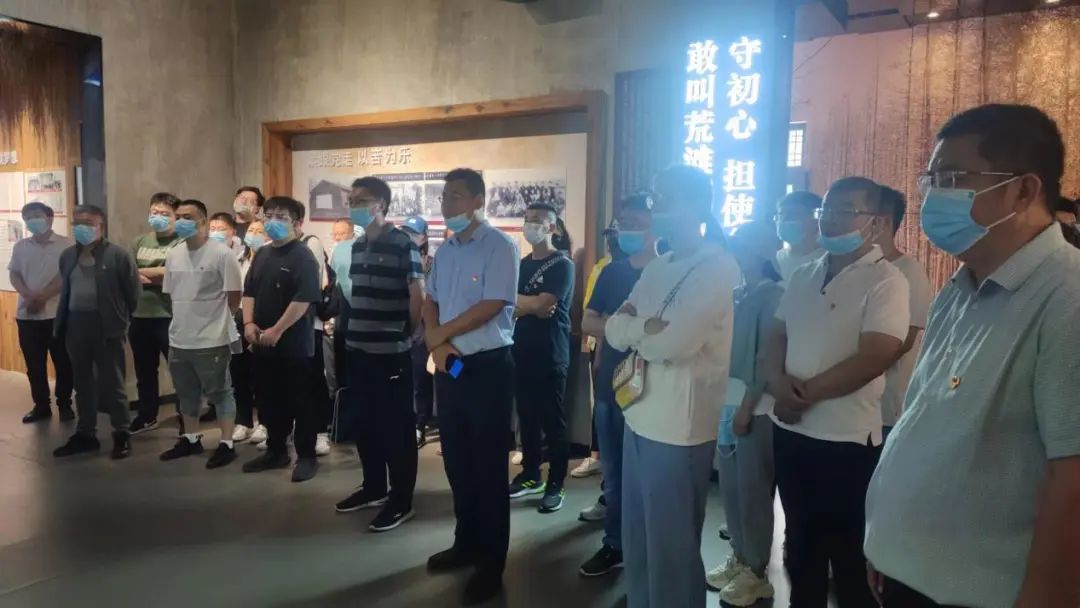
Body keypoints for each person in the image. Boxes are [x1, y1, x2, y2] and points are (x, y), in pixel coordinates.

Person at [866, 104, 1080, 608]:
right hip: (908, 568)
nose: (933, 196)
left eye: (953, 179)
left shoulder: (1066, 297)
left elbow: (1072, 480)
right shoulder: (959, 288)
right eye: (931, 180)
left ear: (1023, 191)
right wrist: (887, 536)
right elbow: (921, 420)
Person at [764, 177, 909, 608]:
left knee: (849, 559)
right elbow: (775, 335)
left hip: (846, 441)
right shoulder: (805, 271)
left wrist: (802, 395)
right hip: (790, 432)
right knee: (800, 547)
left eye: (845, 211)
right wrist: (777, 384)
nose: (829, 218)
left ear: (875, 223)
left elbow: (875, 355)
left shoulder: (887, 280)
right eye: (826, 209)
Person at [605, 165, 740, 607]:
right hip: (639, 415)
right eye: (654, 199)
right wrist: (645, 328)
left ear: (699, 206)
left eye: (666, 199)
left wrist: (638, 328)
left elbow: (676, 344)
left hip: (680, 428)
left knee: (672, 549)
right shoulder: (659, 266)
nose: (656, 208)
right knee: (639, 540)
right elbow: (612, 328)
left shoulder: (718, 266)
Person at [423, 168, 518, 605]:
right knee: (457, 461)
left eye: (457, 196)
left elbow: (492, 304)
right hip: (451, 367)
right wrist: (436, 342)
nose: (448, 204)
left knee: (488, 468)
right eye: (445, 197)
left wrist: (440, 336)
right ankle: (466, 543)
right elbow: (431, 299)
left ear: (479, 200)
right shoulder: (445, 250)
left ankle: (491, 563)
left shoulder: (499, 246)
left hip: (486, 368)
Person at [334, 177, 425, 532]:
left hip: (390, 351)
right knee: (365, 423)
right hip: (357, 347)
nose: (355, 205)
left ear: (381, 205)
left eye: (363, 200)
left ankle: (401, 500)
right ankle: (373, 487)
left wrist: (406, 333)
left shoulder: (402, 243)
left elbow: (416, 294)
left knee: (396, 428)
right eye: (352, 200)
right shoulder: (357, 246)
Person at [578, 193, 656, 577]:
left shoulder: (666, 272)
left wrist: (616, 325)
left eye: (637, 223)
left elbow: (664, 332)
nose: (628, 230)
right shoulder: (612, 272)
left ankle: (645, 551)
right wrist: (629, 327)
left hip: (653, 392)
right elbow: (587, 322)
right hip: (612, 385)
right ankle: (616, 544)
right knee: (613, 475)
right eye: (624, 223)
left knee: (646, 480)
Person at [706, 220, 783, 606]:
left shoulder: (774, 295)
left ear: (762, 251)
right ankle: (739, 557)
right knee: (732, 491)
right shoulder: (737, 293)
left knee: (753, 493)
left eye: (744, 245)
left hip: (756, 407)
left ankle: (757, 572)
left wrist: (748, 407)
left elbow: (768, 359)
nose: (737, 252)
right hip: (727, 400)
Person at [240, 196, 322, 482]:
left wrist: (277, 330)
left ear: (296, 224)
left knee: (300, 401)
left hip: (294, 344)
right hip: (261, 340)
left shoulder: (302, 256)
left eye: (281, 217)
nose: (272, 221)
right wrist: (248, 323)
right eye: (269, 215)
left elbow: (305, 298)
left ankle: (307, 456)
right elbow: (249, 291)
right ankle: (276, 451)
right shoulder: (262, 253)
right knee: (268, 399)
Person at [158, 200, 243, 468]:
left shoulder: (221, 254)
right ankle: (191, 438)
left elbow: (234, 295)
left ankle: (226, 443)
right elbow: (170, 293)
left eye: (189, 217)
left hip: (212, 338)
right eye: (179, 216)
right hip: (179, 337)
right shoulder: (174, 253)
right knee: (186, 393)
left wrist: (218, 320)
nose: (182, 221)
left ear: (203, 222)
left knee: (221, 392)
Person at [53, 205, 140, 459]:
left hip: (107, 327)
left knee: (113, 384)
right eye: (78, 223)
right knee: (82, 383)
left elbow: (133, 293)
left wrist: (121, 321)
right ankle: (85, 434)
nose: (82, 228)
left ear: (101, 226)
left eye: (89, 223)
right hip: (74, 325)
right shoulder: (67, 256)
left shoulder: (118, 256)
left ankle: (121, 433)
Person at [509, 204, 575, 513]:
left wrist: (525, 304)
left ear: (553, 227)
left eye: (538, 220)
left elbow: (545, 304)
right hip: (520, 350)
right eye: (527, 219)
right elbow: (509, 304)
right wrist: (528, 304)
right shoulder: (521, 264)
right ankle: (531, 474)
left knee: (553, 422)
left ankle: (556, 483)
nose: (531, 225)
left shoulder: (562, 264)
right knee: (527, 418)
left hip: (551, 353)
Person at [875, 187, 933, 438]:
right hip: (841, 405)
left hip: (884, 406)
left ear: (883, 222)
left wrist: (849, 377)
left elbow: (904, 341)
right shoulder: (849, 271)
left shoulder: (909, 271)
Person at [10, 202, 74, 423]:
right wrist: (28, 296)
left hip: (57, 314)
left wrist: (42, 297)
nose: (32, 221)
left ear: (49, 218)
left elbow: (66, 275)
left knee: (63, 362)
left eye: (36, 216)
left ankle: (64, 404)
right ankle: (41, 406)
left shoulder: (66, 245)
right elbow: (14, 274)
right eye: (27, 218)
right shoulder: (21, 246)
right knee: (34, 365)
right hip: (27, 316)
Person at [128, 192, 183, 434]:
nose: (158, 217)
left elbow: (175, 272)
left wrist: (144, 274)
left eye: (164, 214)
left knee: (180, 371)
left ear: (176, 217)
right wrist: (158, 274)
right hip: (140, 316)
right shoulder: (139, 241)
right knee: (144, 371)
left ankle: (186, 417)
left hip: (170, 315)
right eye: (154, 212)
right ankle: (147, 415)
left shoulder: (182, 242)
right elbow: (128, 272)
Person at [296, 203, 333, 457]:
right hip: (282, 328)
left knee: (314, 380)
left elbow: (315, 285)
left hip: (310, 325)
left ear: (298, 220)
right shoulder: (268, 248)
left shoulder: (311, 243)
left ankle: (320, 432)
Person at [401, 215, 435, 446]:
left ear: (423, 237)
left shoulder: (432, 263)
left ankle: (420, 425)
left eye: (413, 233)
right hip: (402, 329)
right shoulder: (398, 260)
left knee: (422, 381)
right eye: (405, 233)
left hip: (426, 331)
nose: (408, 237)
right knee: (406, 380)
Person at [235, 219, 267, 443]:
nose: (254, 234)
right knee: (239, 373)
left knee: (262, 375)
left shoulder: (268, 259)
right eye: (251, 230)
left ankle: (265, 422)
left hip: (262, 318)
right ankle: (243, 421)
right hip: (239, 317)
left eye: (259, 231)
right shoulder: (239, 257)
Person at [774, 190, 824, 282]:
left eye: (792, 215)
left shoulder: (826, 261)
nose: (783, 221)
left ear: (816, 219)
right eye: (781, 215)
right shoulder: (775, 261)